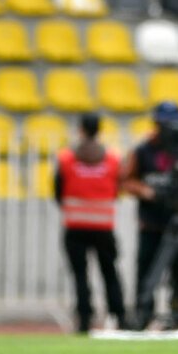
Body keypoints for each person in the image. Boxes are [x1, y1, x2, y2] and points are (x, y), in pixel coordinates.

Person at [54, 112, 128, 333]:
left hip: (75, 225)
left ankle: (85, 320)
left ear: (81, 129)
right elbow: (117, 189)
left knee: (80, 275)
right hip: (103, 226)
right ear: (99, 129)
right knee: (110, 273)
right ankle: (119, 317)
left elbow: (57, 191)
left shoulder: (66, 158)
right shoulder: (113, 159)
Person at [122, 101, 178, 330]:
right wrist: (147, 191)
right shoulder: (143, 150)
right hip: (151, 223)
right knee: (146, 271)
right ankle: (144, 314)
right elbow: (126, 180)